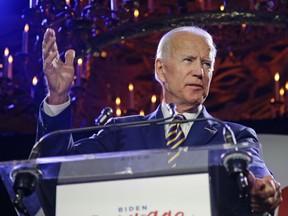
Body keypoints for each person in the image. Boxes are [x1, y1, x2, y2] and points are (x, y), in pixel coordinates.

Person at [39, 26, 282, 214]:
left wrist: (264, 189)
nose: (200, 71)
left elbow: (258, 174)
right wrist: (58, 97)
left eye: (207, 64)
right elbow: (58, 171)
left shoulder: (233, 136)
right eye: (189, 60)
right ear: (160, 69)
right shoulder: (121, 132)